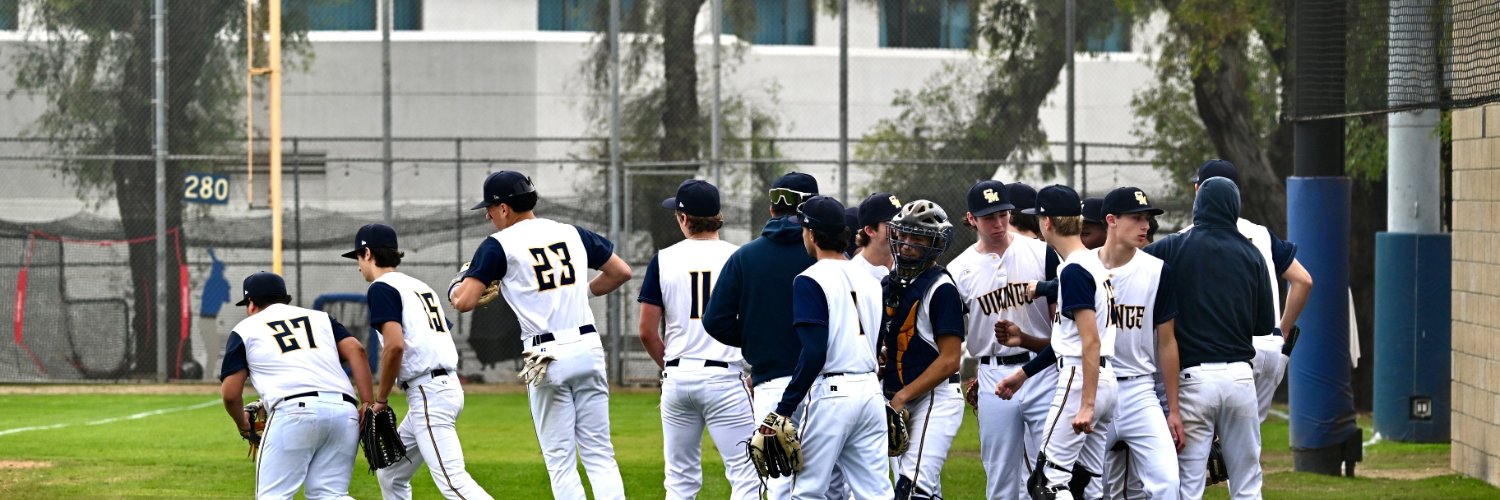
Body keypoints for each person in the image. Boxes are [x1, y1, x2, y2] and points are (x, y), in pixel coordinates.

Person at [449, 170, 633, 500]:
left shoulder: (498, 244)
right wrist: (581, 293)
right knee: (600, 454)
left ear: (504, 208)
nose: (489, 215)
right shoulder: (571, 232)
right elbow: (621, 272)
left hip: (543, 352)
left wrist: (457, 283)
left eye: (490, 209)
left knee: (560, 461)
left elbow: (463, 302)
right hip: (589, 344)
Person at [703, 172, 831, 498]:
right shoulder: (824, 256)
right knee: (827, 480)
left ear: (773, 209)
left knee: (778, 480)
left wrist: (755, 339)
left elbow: (714, 320)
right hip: (824, 379)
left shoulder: (745, 256)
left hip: (770, 382)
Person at [1146, 177, 1274, 498]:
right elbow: (1264, 324)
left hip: (1194, 379)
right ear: (1235, 207)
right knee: (1246, 482)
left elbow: (1130, 270)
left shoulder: (1173, 246)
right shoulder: (1252, 253)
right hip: (1241, 379)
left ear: (1198, 205)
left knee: (1189, 484)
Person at [343, 223, 492, 500]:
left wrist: (382, 399)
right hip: (443, 387)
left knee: (454, 482)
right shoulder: (420, 287)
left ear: (367, 253)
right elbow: (439, 331)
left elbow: (395, 346)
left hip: (428, 393)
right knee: (391, 474)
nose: (357, 266)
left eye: (357, 258)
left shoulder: (381, 288)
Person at [635, 180, 759, 500]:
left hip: (678, 376)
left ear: (684, 218)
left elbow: (647, 331)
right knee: (746, 474)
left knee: (679, 480)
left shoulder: (663, 259)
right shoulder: (741, 257)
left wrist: (671, 367)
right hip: (725, 375)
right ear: (718, 216)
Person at [995, 185, 1118, 500]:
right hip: (1103, 380)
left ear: (1046, 222)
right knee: (1085, 483)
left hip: (1081, 379)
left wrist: (1087, 403)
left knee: (1048, 482)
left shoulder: (1075, 270)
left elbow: (1089, 342)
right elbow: (1071, 338)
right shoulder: (1092, 266)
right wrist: (1023, 374)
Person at [771, 195, 893, 499]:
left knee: (807, 491)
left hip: (833, 394)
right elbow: (876, 342)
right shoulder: (869, 280)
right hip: (870, 392)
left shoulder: (810, 279)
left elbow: (814, 352)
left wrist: (784, 409)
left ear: (811, 234)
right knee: (877, 493)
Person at [219, 271, 374, 499]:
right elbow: (357, 351)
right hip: (345, 412)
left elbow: (231, 394)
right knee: (330, 494)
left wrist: (242, 423)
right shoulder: (321, 318)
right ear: (285, 298)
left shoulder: (245, 329)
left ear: (251, 304)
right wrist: (369, 403)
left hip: (294, 413)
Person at [948, 179, 1057, 499]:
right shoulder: (959, 269)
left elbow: (1062, 325)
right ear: (971, 219)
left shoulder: (1043, 254)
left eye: (1003, 214)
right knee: (1000, 473)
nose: (997, 223)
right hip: (993, 374)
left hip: (1042, 371)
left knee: (1052, 470)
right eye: (988, 217)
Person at [1189, 159, 1312, 423]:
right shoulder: (1262, 235)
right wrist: (1283, 329)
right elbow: (1303, 281)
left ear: (1199, 190)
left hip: (1225, 352)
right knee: (1247, 439)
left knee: (1206, 435)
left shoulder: (1189, 236)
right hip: (1269, 349)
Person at [1089, 188, 1183, 499]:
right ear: (1111, 220)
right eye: (1137, 217)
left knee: (1167, 484)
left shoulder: (1157, 271)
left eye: (1147, 218)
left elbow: (1167, 343)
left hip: (1139, 391)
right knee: (1086, 488)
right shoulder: (1080, 267)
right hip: (1094, 385)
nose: (1145, 225)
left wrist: (1173, 410)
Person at [880, 199, 965, 499]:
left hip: (934, 398)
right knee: (919, 489)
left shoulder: (941, 288)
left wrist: (901, 397)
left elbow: (950, 360)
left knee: (912, 487)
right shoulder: (888, 284)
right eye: (903, 235)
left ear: (935, 242)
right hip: (898, 398)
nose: (906, 243)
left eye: (917, 237)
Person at [850, 192, 903, 281]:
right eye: (893, 224)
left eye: (902, 222)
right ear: (870, 231)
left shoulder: (908, 263)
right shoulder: (853, 274)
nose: (900, 229)